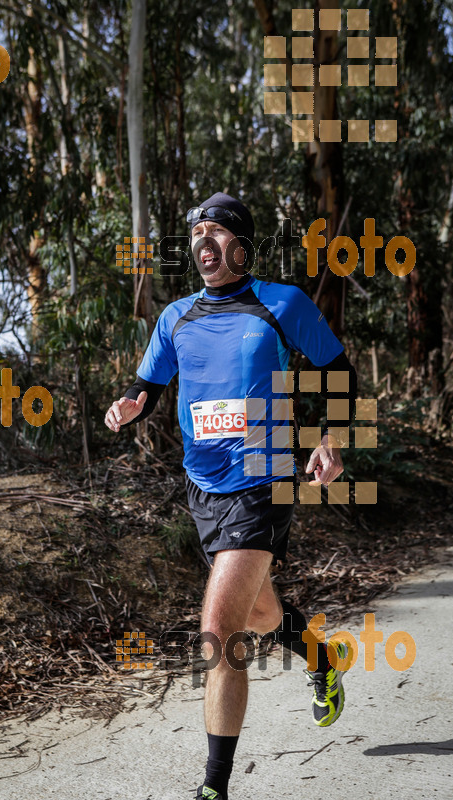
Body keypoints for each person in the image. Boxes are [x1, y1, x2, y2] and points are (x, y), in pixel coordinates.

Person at [105, 192, 358, 800]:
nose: (203, 242)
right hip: (203, 488)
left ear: (242, 245)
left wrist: (330, 438)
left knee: (221, 626)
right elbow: (147, 388)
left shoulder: (281, 304)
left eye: (217, 232)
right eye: (197, 234)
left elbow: (340, 373)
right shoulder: (175, 317)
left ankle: (214, 788)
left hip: (263, 480)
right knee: (260, 612)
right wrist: (130, 407)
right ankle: (320, 658)